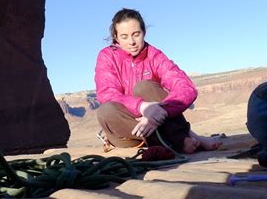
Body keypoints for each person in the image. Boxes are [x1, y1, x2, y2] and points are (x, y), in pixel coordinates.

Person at [94, 8, 221, 154]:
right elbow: (107, 93)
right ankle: (183, 139)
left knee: (144, 87)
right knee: (105, 111)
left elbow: (186, 88)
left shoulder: (154, 55)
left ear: (144, 32)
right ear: (115, 37)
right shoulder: (107, 56)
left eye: (136, 34)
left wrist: (159, 112)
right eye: (124, 36)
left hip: (160, 122)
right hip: (127, 129)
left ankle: (178, 140)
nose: (131, 42)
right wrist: (143, 107)